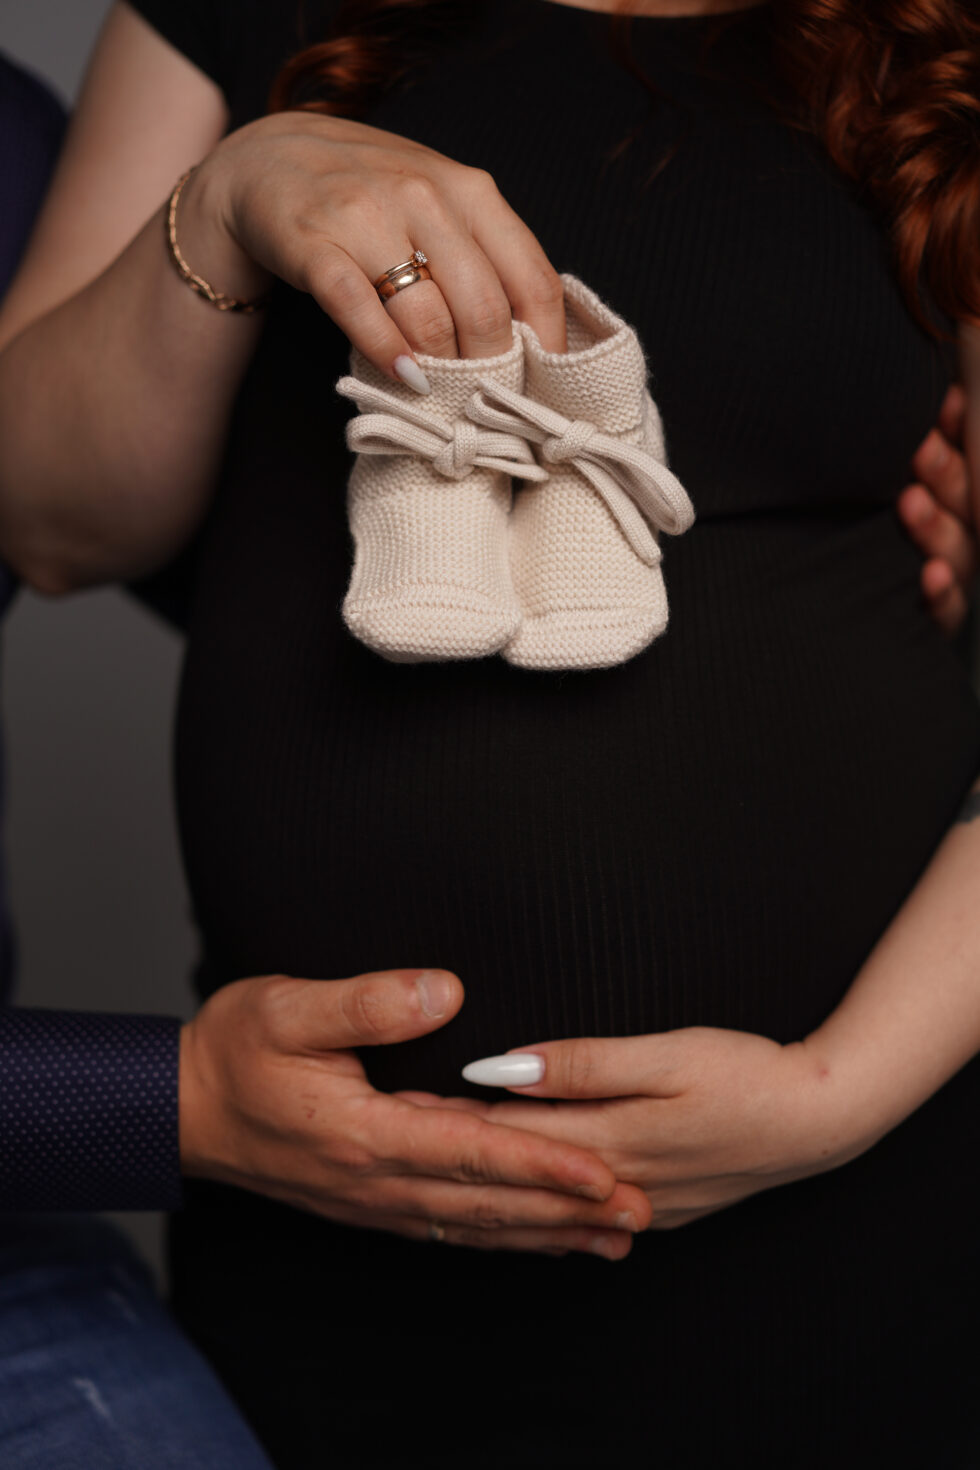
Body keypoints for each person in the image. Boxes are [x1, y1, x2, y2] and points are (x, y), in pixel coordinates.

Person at [0, 0, 979, 1465]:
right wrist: (229, 195)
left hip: (853, 1214)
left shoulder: (946, 54)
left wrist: (832, 1096)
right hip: (319, 1226)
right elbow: (47, 521)